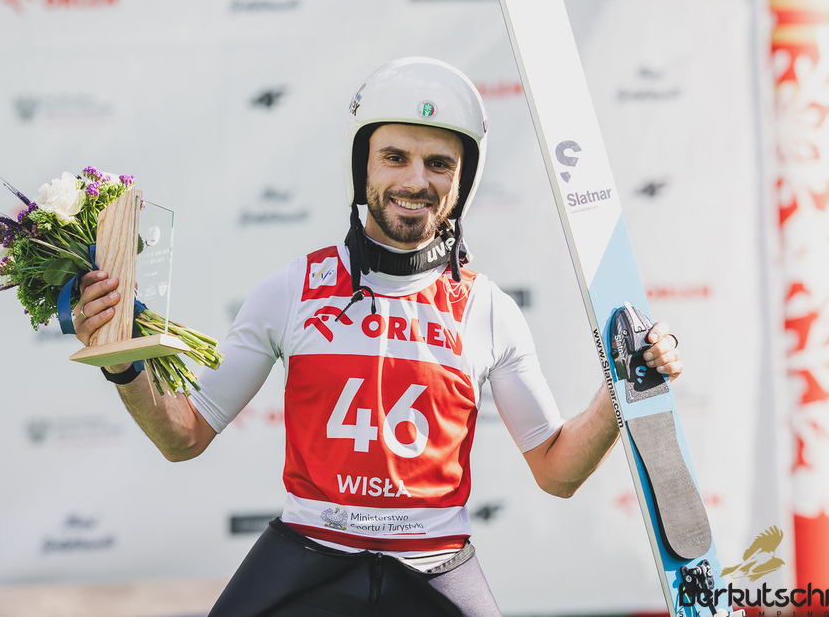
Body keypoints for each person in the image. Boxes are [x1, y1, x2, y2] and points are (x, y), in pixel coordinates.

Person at [72, 57, 683, 616]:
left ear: (463, 181)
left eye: (439, 163)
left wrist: (621, 391)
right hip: (307, 556)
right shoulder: (290, 290)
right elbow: (183, 435)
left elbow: (556, 472)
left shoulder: (489, 310)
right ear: (362, 163)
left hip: (434, 565)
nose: (416, 180)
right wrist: (122, 361)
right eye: (395, 157)